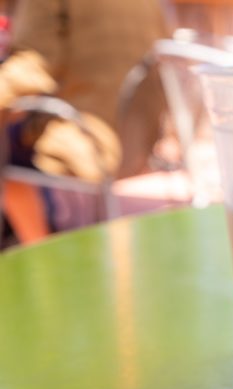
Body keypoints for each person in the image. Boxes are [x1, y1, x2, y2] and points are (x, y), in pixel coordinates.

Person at [0, 0, 168, 245]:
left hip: (90, 143)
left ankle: (41, 251)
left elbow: (34, 69)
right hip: (144, 142)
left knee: (7, 148)